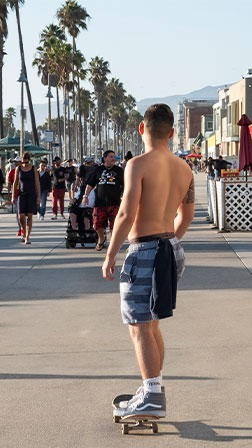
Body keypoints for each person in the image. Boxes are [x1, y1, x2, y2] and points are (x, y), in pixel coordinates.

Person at [103, 103, 195, 420]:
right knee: (151, 325)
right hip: (170, 246)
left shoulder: (137, 165)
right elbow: (188, 214)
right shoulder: (185, 169)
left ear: (142, 129)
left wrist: (111, 252)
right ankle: (151, 386)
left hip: (144, 249)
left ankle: (153, 395)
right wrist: (171, 241)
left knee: (140, 326)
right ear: (171, 133)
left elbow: (127, 213)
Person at [82, 150, 124, 251]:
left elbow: (125, 185)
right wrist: (85, 196)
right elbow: (90, 184)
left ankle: (112, 243)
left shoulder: (119, 170)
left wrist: (123, 196)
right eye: (110, 157)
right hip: (100, 203)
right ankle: (101, 238)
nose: (113, 159)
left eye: (114, 157)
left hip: (115, 203)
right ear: (104, 158)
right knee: (97, 225)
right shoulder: (98, 170)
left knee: (115, 225)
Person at [12, 152, 40, 244]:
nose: (25, 164)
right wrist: (13, 196)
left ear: (29, 161)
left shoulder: (33, 169)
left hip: (32, 194)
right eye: (23, 162)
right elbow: (15, 182)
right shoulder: (18, 169)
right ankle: (24, 231)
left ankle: (27, 236)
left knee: (30, 216)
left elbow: (37, 183)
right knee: (21, 216)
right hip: (21, 194)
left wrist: (39, 196)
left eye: (27, 162)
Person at [8, 157, 23, 237]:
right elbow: (10, 182)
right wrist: (9, 193)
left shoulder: (25, 170)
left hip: (25, 194)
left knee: (24, 213)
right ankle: (20, 228)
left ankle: (24, 227)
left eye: (17, 162)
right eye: (15, 162)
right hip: (16, 195)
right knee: (18, 212)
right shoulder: (12, 172)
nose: (16, 164)